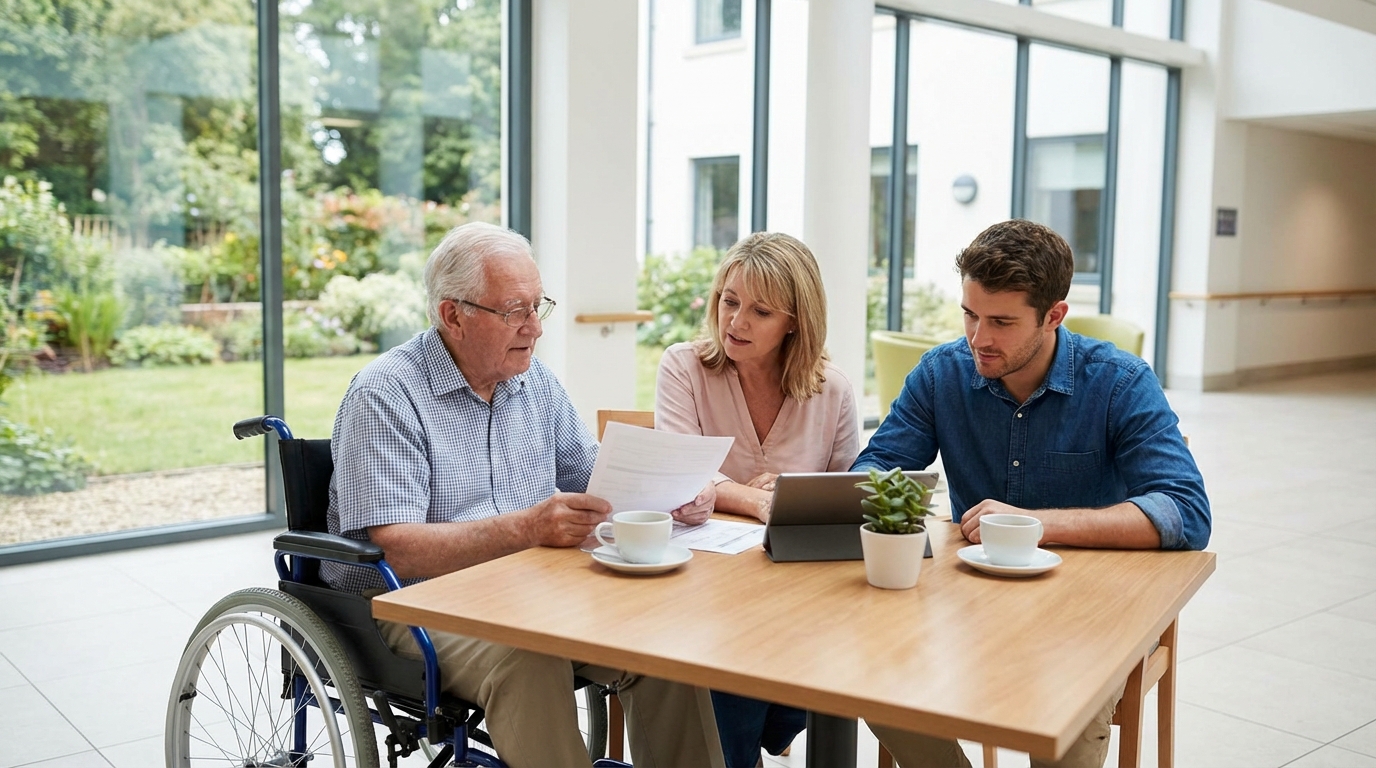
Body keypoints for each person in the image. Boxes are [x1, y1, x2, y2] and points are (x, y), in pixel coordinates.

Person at [321, 221, 724, 768]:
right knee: (527, 658)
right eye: (515, 311)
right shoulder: (387, 395)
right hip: (409, 604)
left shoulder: (535, 384)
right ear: (452, 315)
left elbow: (596, 480)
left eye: (539, 307)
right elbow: (397, 548)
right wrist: (526, 529)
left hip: (528, 592)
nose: (535, 328)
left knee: (659, 642)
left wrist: (674, 494)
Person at [852, 219, 1210, 768]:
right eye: (970, 314)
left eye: (1001, 321)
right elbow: (875, 472)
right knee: (867, 673)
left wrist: (1036, 523)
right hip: (969, 604)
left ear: (1054, 316)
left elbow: (1185, 512)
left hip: (1088, 615)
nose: (978, 337)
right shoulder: (941, 374)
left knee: (1070, 713)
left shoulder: (1119, 381)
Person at [655, 231, 860, 767]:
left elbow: (843, 498)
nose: (735, 322)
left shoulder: (831, 390)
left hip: (796, 591)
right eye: (729, 301)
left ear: (794, 320)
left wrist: (736, 488)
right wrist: (759, 498)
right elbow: (681, 475)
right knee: (734, 669)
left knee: (838, 656)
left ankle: (774, 725)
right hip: (703, 584)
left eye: (760, 311)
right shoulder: (684, 367)